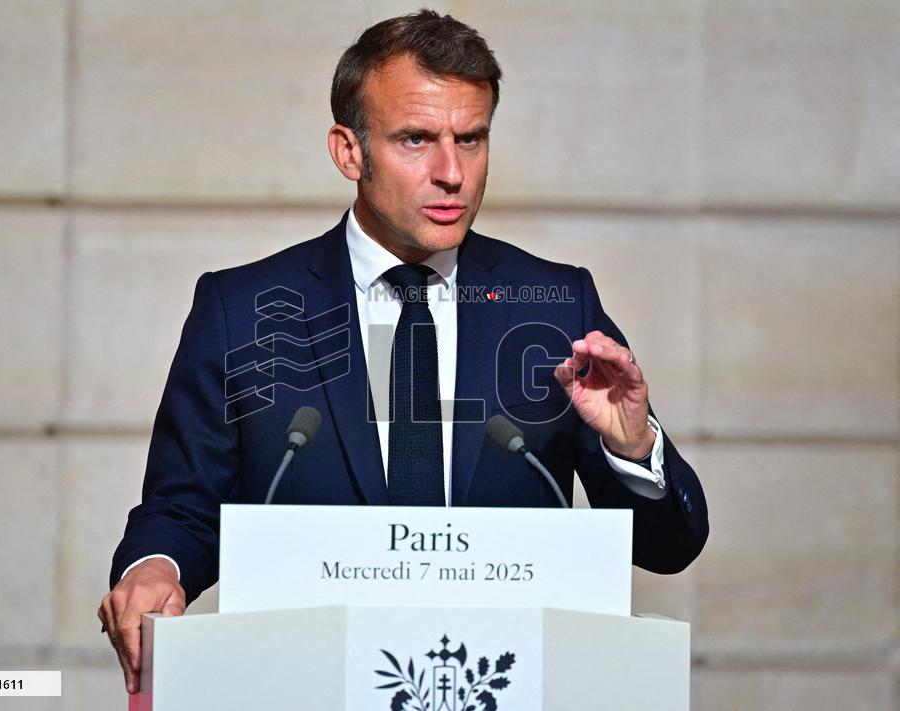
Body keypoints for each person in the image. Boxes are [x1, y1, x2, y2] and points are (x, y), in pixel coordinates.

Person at [98, 9, 708, 694]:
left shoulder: (555, 307)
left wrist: (632, 448)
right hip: (302, 690)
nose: (452, 173)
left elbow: (669, 547)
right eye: (416, 139)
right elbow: (182, 508)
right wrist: (154, 567)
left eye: (471, 139)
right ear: (349, 152)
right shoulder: (241, 310)